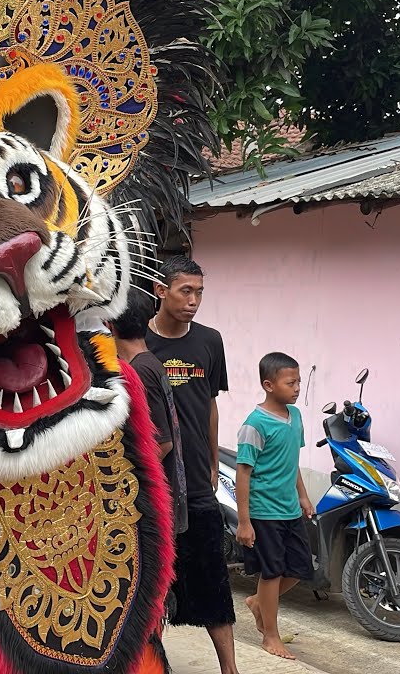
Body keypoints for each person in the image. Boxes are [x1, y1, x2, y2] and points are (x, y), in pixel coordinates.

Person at [146, 254, 236, 674]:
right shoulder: (137, 345)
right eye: (186, 291)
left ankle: (230, 669)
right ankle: (152, 660)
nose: (194, 300)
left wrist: (214, 456)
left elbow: (210, 405)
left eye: (199, 292)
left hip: (198, 480)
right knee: (151, 582)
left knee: (212, 577)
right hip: (151, 482)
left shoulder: (210, 340)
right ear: (161, 291)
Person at [235, 352, 314, 660]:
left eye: (298, 381)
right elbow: (244, 473)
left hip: (290, 509)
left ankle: (258, 603)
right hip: (264, 512)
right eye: (290, 382)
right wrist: (245, 521)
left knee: (298, 569)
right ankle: (270, 634)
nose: (296, 388)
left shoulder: (296, 418)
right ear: (269, 385)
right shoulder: (254, 425)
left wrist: (303, 496)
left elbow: (291, 462)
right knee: (272, 572)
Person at [111, 288, 187, 536]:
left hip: (152, 499)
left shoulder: (140, 372)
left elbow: (162, 443)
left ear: (109, 324)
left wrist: (123, 478)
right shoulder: (149, 363)